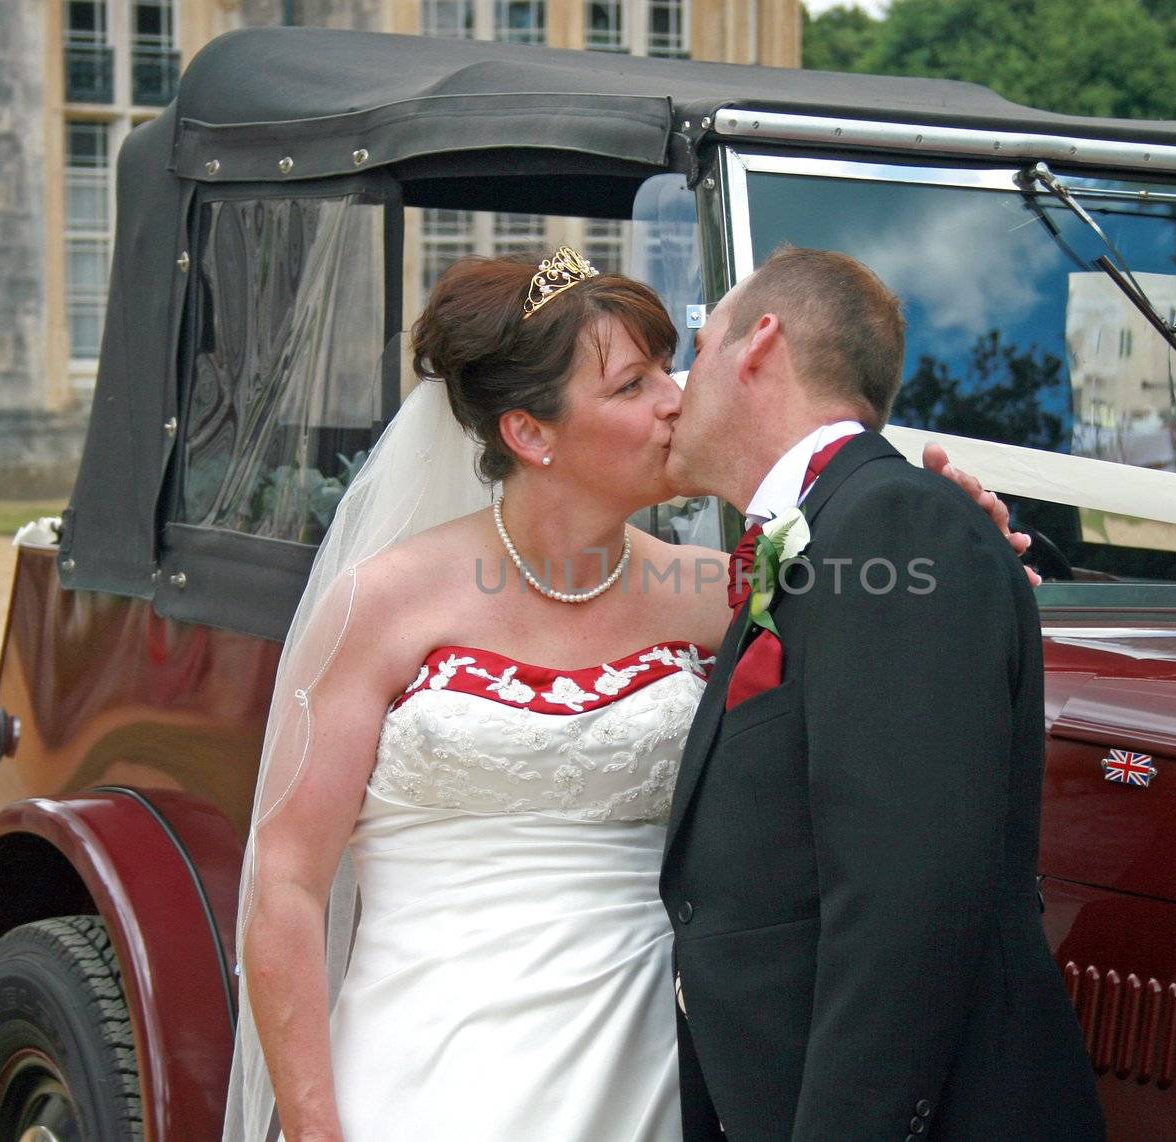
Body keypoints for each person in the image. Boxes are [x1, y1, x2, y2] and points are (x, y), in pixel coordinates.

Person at [224, 247, 1032, 1142]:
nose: (676, 399)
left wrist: (963, 543)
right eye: (632, 385)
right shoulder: (383, 603)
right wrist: (311, 1124)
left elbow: (894, 680)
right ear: (532, 434)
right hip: (418, 1068)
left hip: (658, 1071)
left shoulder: (726, 588)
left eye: (668, 369)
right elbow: (289, 880)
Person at [661, 247, 1103, 1141]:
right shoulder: (827, 531)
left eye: (698, 347)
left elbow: (908, 900)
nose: (676, 388)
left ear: (758, 346)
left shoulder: (900, 524)